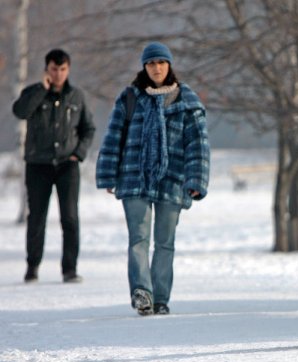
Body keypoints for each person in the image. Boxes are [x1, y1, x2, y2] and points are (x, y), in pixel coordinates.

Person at [95, 42, 210, 316]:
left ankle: (160, 298)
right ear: (144, 67)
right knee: (138, 239)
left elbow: (198, 144)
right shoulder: (130, 98)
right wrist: (109, 174)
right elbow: (113, 137)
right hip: (134, 178)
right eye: (150, 63)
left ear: (169, 65)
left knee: (165, 242)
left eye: (161, 62)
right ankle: (141, 293)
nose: (156, 68)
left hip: (173, 180)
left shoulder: (187, 100)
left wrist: (197, 179)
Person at [12, 48, 95, 284]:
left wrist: (78, 154)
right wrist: (41, 89)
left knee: (69, 217)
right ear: (46, 70)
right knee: (36, 217)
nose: (58, 74)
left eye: (62, 69)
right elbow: (20, 111)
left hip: (67, 165)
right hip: (38, 165)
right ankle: (32, 266)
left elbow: (88, 129)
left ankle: (70, 268)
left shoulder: (76, 96)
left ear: (68, 70)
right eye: (53, 69)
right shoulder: (33, 93)